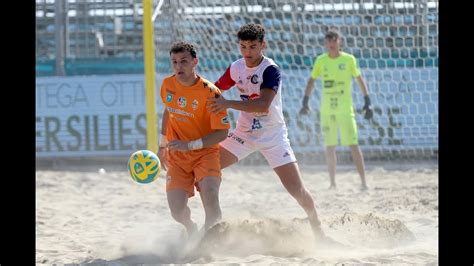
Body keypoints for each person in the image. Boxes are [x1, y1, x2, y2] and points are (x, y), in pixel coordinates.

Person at [207, 23, 326, 241]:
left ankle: (318, 231)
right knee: (207, 170)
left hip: (273, 137)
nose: (247, 52)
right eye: (243, 47)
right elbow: (215, 90)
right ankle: (212, 225)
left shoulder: (270, 70)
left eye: (252, 47)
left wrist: (227, 104)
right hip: (244, 135)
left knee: (297, 190)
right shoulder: (236, 67)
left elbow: (262, 105)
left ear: (263, 45)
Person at [157, 41, 230, 238]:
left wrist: (190, 145)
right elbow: (168, 111)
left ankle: (213, 239)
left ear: (195, 62)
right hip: (177, 155)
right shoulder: (167, 85)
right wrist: (162, 144)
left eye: (184, 61)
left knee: (210, 195)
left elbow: (222, 132)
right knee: (177, 211)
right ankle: (191, 227)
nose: (179, 66)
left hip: (205, 152)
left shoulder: (210, 92)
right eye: (174, 62)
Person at [299, 28, 372, 191]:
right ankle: (332, 183)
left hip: (346, 110)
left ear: (340, 42)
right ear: (325, 43)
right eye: (328, 41)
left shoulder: (349, 60)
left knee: (354, 145)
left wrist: (367, 101)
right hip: (327, 111)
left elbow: (359, 79)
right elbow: (311, 81)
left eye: (334, 40)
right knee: (330, 147)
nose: (331, 43)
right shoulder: (321, 61)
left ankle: (363, 182)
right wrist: (305, 102)